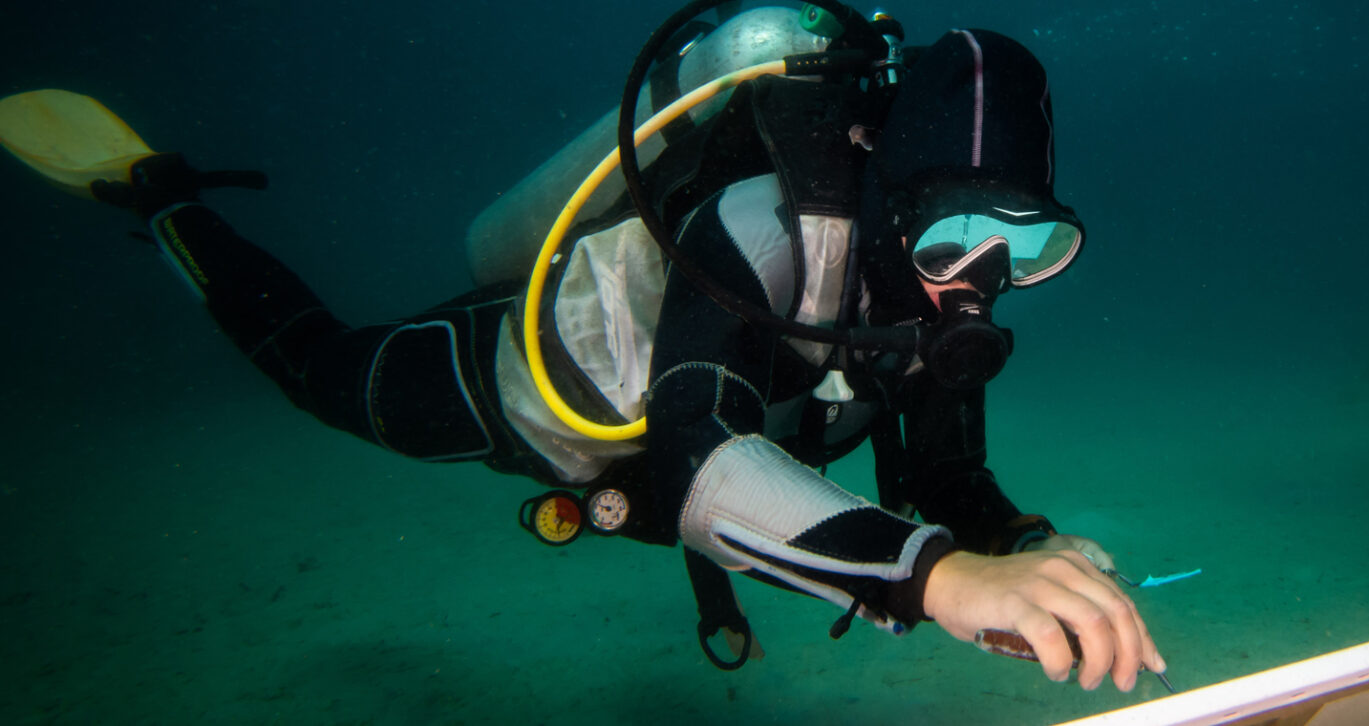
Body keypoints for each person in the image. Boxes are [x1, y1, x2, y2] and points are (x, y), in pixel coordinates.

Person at [28, 3, 1167, 693]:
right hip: (532, 384)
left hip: (678, 445)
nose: (979, 281)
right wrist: (942, 577)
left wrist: (1022, 542)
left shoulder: (928, 311)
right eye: (954, 230)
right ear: (883, 201)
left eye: (1026, 246)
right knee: (323, 374)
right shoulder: (766, 225)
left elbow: (939, 477)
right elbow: (693, 455)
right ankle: (167, 202)